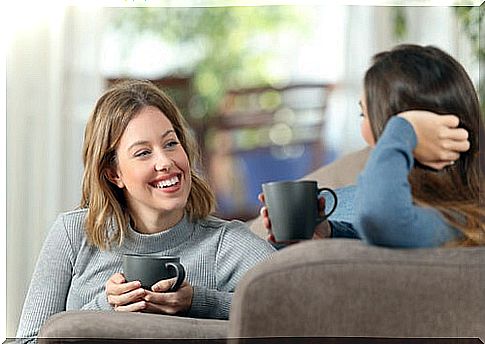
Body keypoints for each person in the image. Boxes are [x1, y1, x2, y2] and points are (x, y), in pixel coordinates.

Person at [16, 80, 276, 340]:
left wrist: (199, 302)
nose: (165, 162)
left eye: (171, 143)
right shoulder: (73, 234)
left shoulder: (224, 244)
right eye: (143, 153)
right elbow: (28, 340)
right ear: (113, 173)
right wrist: (105, 308)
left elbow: (302, 304)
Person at [261, 44, 484, 248]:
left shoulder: (460, 221)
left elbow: (382, 222)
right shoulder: (441, 214)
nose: (367, 133)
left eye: (365, 114)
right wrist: (329, 232)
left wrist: (403, 128)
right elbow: (385, 241)